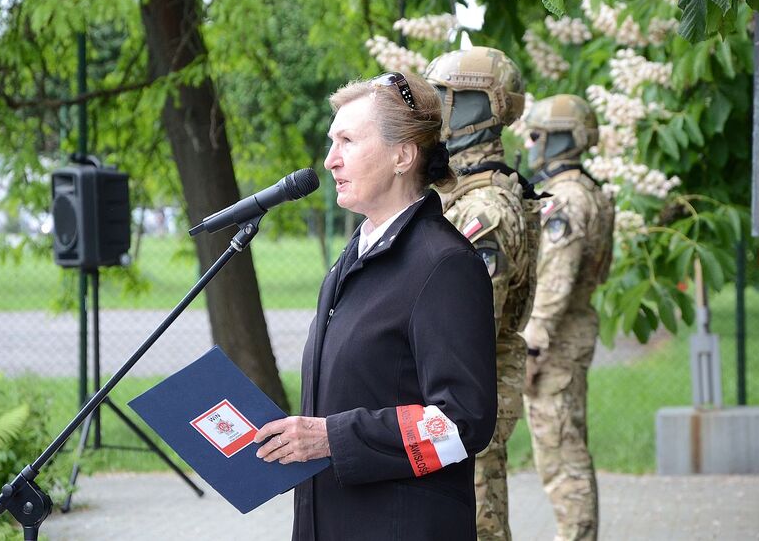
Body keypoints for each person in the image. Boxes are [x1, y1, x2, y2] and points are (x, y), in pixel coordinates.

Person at [254, 71, 498, 541]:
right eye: (331, 142)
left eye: (347, 141)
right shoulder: (354, 255)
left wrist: (332, 438)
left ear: (402, 155)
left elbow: (462, 420)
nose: (329, 161)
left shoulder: (444, 264)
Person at [424, 46, 540, 541]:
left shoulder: (484, 210)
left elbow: (468, 331)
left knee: (478, 525)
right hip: (460, 404)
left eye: (447, 97)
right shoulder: (466, 191)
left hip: (467, 406)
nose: (436, 109)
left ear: (482, 105)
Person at [521, 94, 614, 541]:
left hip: (555, 341)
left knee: (562, 455)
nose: (531, 144)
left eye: (538, 135)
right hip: (571, 332)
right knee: (563, 444)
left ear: (563, 139)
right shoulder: (587, 190)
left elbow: (556, 278)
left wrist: (533, 344)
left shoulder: (567, 199)